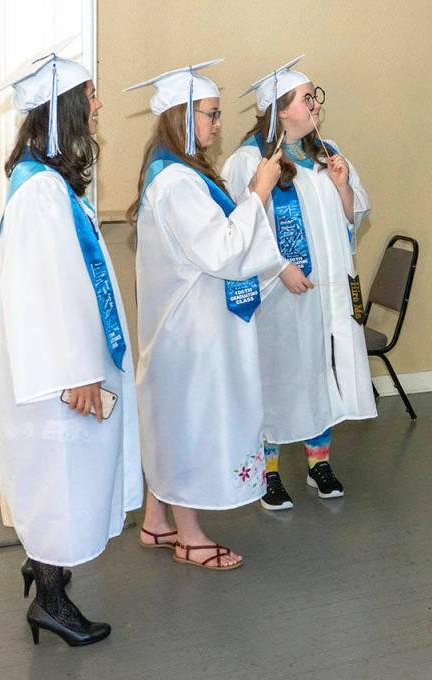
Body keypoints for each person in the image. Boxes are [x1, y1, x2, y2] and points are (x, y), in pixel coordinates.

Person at [0, 43, 142, 645]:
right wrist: (75, 371)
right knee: (58, 480)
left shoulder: (50, 186)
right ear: (61, 113)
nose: (98, 104)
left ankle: (46, 568)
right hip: (60, 376)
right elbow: (36, 298)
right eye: (89, 97)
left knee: (66, 477)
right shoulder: (37, 195)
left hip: (70, 367)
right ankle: (49, 602)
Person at [125, 59, 286, 569]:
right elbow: (221, 251)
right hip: (191, 330)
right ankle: (190, 536)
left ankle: (157, 520)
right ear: (182, 116)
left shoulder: (177, 174)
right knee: (191, 421)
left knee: (173, 418)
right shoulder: (175, 183)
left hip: (187, 322)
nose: (218, 124)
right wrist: (259, 191)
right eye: (211, 114)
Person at [222, 56, 375, 511]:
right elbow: (239, 230)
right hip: (281, 294)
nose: (316, 105)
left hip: (329, 288)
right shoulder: (248, 160)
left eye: (315, 96)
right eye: (307, 98)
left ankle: (318, 463)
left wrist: (345, 187)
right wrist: (277, 267)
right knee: (280, 377)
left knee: (321, 373)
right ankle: (269, 474)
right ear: (280, 110)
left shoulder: (326, 152)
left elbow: (354, 219)